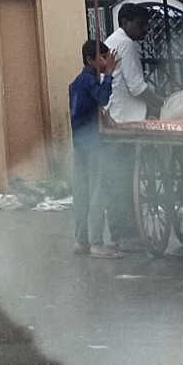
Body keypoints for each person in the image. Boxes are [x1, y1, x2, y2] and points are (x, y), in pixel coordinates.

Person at [104, 2, 157, 242]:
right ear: (125, 23)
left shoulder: (112, 41)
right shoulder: (125, 43)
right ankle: (125, 231)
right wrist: (160, 102)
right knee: (123, 179)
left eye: (146, 25)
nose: (144, 30)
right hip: (125, 120)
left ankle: (120, 230)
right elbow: (137, 86)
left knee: (118, 179)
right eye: (140, 25)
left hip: (114, 116)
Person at [69, 37, 118, 258]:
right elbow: (103, 97)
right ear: (91, 60)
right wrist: (108, 74)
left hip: (79, 142)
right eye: (104, 58)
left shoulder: (76, 83)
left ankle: (82, 240)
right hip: (93, 142)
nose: (108, 61)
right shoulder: (90, 80)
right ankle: (97, 243)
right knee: (98, 190)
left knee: (82, 191)